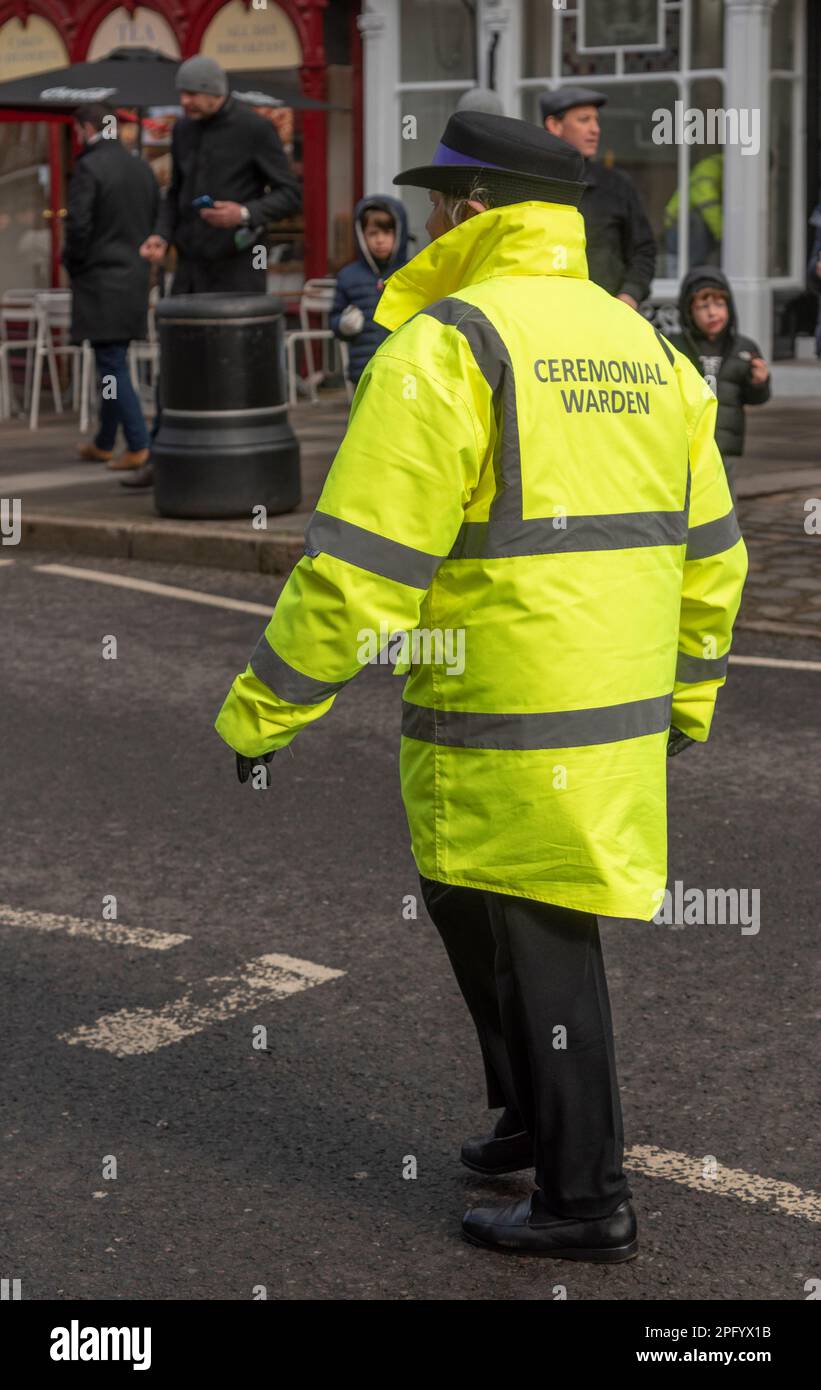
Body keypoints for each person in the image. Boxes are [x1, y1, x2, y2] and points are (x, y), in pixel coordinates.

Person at [214, 111, 747, 1262]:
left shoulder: (449, 347)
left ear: (469, 212)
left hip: (503, 708)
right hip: (606, 708)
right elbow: (715, 557)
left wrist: (262, 713)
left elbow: (358, 569)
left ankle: (584, 1199)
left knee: (541, 930)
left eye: (445, 202)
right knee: (467, 896)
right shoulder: (640, 345)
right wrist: (685, 704)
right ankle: (523, 1113)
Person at [128, 56, 301, 491]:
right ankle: (163, 455)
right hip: (190, 264)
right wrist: (160, 235)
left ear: (215, 90)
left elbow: (288, 193)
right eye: (181, 94)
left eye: (191, 94)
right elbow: (176, 195)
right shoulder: (184, 130)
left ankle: (238, 461)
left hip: (239, 265)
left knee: (232, 364)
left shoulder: (255, 129)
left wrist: (243, 213)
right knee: (176, 361)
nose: (184, 102)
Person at [62, 103, 159, 472]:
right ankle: (105, 441)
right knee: (112, 359)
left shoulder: (89, 166)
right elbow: (153, 218)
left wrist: (73, 262)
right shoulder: (141, 167)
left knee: (111, 365)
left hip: (100, 279)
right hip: (133, 278)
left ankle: (138, 443)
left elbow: (79, 227)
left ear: (86, 128)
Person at [540, 85, 655, 308]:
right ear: (554, 125)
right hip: (547, 317)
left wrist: (629, 296)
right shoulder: (529, 183)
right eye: (584, 120)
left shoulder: (617, 186)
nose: (595, 129)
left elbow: (644, 250)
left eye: (596, 120)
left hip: (607, 319)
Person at [668, 267, 770, 502]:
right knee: (687, 498)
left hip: (725, 444)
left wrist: (759, 382)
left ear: (730, 308)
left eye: (719, 305)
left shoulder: (744, 347)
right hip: (685, 443)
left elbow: (756, 397)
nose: (713, 313)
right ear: (688, 311)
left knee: (724, 500)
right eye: (703, 307)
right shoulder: (674, 345)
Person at [330, 196, 409, 387]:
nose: (379, 240)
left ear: (399, 233)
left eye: (387, 232)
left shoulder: (411, 273)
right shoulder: (348, 276)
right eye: (373, 233)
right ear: (361, 235)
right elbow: (333, 318)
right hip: (364, 369)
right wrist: (343, 324)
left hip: (403, 368)